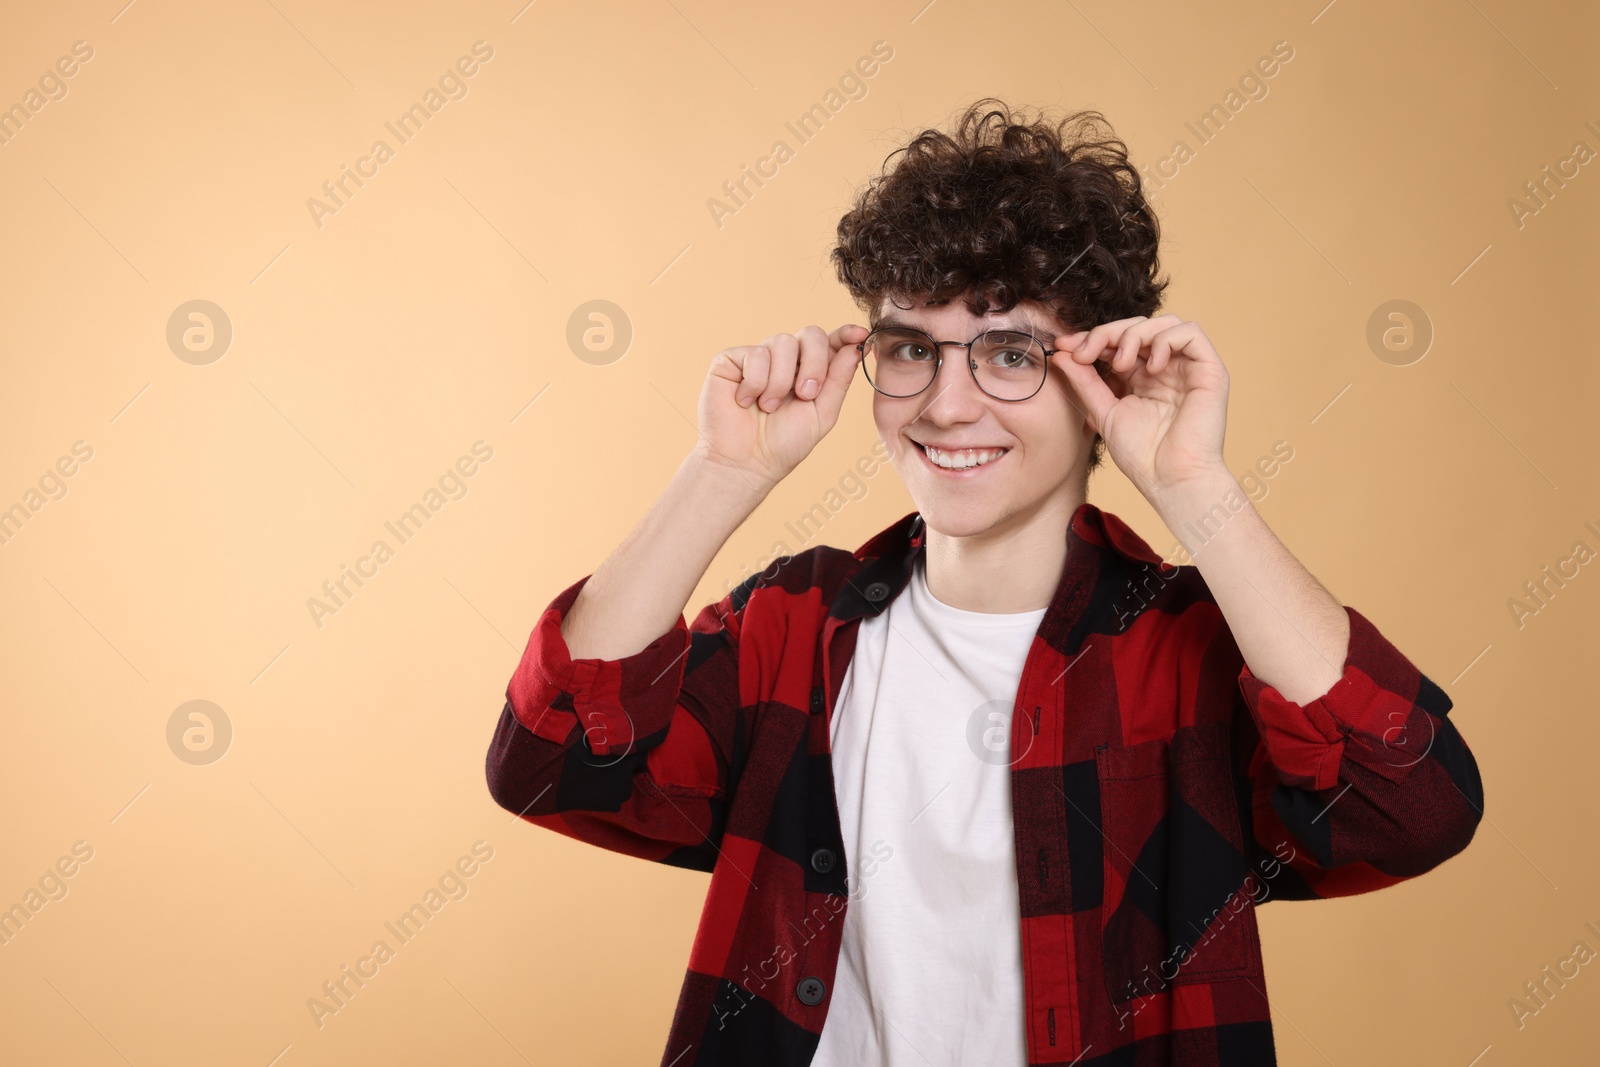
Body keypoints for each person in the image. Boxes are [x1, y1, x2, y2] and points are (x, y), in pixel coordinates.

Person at [484, 98, 1484, 1067]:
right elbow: (548, 762)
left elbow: (1409, 809)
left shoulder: (1185, 649)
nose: (946, 405)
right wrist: (721, 473)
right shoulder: (791, 625)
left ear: (1100, 374)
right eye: (912, 348)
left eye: (1009, 352)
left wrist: (1195, 487)